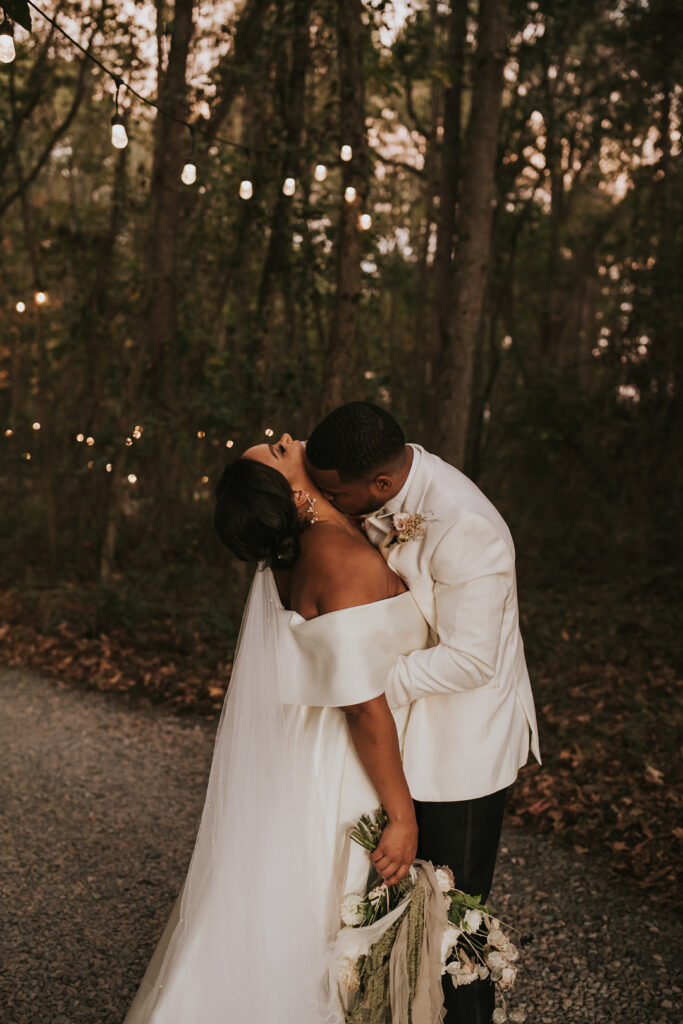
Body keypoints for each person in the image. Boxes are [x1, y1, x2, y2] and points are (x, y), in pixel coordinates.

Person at [122, 433, 442, 1024]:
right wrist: (402, 816)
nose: (287, 438)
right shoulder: (337, 560)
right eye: (276, 450)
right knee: (316, 910)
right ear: (292, 494)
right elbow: (361, 707)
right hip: (343, 756)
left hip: (317, 740)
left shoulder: (329, 538)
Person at [305, 401, 541, 1024]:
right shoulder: (382, 484)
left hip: (460, 752)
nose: (332, 501)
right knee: (397, 920)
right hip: (405, 736)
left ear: (382, 485)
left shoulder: (466, 526)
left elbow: (472, 661)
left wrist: (368, 686)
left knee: (450, 926)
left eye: (338, 493)